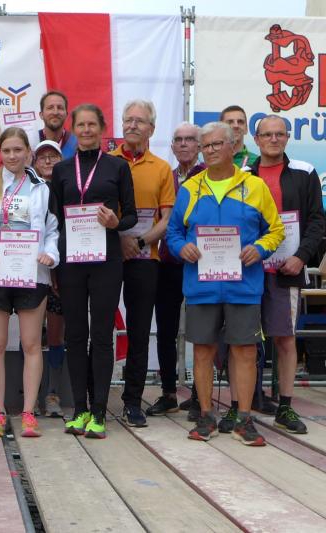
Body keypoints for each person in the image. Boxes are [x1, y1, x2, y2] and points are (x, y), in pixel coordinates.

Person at [166, 121, 284, 446]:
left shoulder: (255, 186)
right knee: (203, 350)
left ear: (233, 146)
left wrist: (259, 249)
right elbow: (173, 232)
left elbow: (275, 230)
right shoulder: (190, 188)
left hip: (243, 285)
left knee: (244, 350)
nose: (211, 150)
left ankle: (244, 419)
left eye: (218, 144)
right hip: (202, 285)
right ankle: (206, 416)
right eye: (206, 146)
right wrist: (181, 248)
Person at [49, 103, 137, 439]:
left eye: (91, 125)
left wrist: (116, 223)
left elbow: (130, 215)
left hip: (106, 262)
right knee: (74, 336)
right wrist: (55, 262)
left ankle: (99, 411)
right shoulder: (62, 170)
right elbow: (55, 221)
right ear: (74, 130)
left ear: (102, 129)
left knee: (101, 336)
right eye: (81, 125)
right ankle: (80, 410)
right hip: (72, 262)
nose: (86, 130)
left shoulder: (117, 166)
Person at [0, 128, 59, 438]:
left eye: (18, 150)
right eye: (7, 150)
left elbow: (53, 230)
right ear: (0, 153)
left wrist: (51, 253)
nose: (12, 156)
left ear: (28, 153)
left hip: (33, 274)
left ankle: (28, 414)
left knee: (32, 344)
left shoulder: (44, 189)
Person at [249, 115, 324, 434]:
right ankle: (243, 406)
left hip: (287, 270)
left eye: (280, 134)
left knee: (284, 338)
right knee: (243, 339)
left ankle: (285, 406)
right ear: (256, 139)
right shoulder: (243, 175)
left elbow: (317, 221)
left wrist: (301, 257)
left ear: (287, 137)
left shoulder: (305, 172)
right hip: (249, 271)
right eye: (267, 134)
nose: (274, 139)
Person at [110, 100, 175, 427]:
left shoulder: (161, 168)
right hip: (109, 255)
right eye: (128, 119)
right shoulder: (107, 162)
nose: (132, 125)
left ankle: (132, 401)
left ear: (152, 128)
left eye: (139, 121)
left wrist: (137, 242)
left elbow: (167, 219)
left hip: (145, 257)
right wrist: (118, 241)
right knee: (101, 329)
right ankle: (96, 399)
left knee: (138, 331)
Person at [149, 122, 206, 419]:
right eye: (178, 140)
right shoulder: (166, 176)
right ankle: (169, 392)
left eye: (190, 140)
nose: (184, 144)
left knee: (202, 330)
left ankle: (199, 394)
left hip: (200, 262)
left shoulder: (209, 176)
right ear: (172, 146)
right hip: (168, 263)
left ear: (200, 146)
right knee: (166, 330)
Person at [32, 140, 65, 418]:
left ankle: (52, 393)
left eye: (52, 156)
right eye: (42, 156)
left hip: (59, 270)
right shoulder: (28, 190)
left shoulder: (68, 189)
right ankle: (29, 394)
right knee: (30, 336)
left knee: (55, 333)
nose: (47, 160)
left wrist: (56, 268)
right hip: (28, 270)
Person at [38, 91, 78, 160]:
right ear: (41, 115)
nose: (55, 112)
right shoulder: (32, 142)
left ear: (66, 114)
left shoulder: (76, 143)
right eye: (50, 108)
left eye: (60, 108)